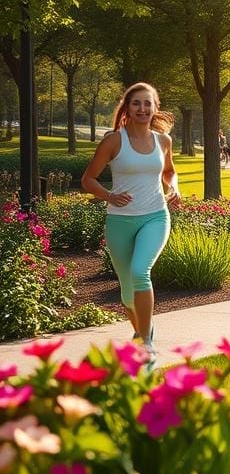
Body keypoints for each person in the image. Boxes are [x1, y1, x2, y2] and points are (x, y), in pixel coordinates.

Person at [81, 82, 181, 362]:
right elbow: (87, 180)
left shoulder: (163, 141)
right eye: (136, 103)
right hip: (120, 222)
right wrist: (109, 196)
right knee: (127, 291)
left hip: (155, 216)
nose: (142, 108)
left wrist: (174, 187)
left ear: (155, 108)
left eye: (148, 103)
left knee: (140, 271)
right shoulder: (114, 141)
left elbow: (170, 172)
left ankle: (147, 342)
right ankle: (140, 331)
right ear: (127, 108)